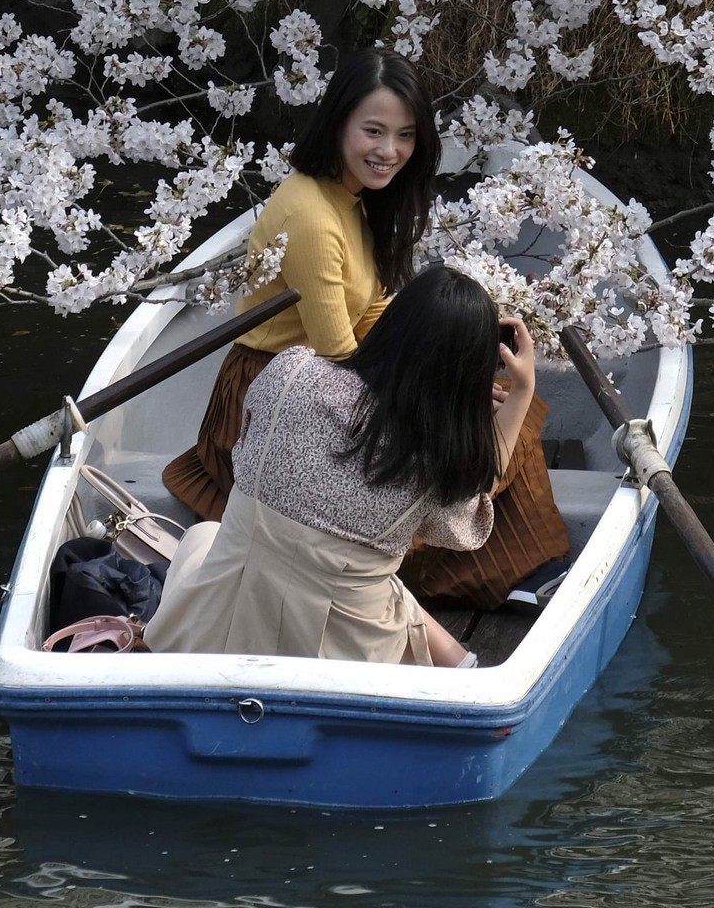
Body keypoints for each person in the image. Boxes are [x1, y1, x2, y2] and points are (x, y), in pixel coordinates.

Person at [162, 46, 569, 610]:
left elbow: (374, 310)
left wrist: (454, 372)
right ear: (337, 124)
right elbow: (338, 352)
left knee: (506, 405)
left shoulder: (352, 199)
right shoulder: (311, 214)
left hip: (340, 377)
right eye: (373, 131)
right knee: (495, 425)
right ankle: (500, 569)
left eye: (405, 136)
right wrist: (442, 392)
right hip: (294, 397)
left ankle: (523, 563)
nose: (390, 152)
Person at [145, 267, 536, 665]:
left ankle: (460, 667)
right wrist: (521, 393)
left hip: (221, 620)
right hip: (337, 655)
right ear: (465, 374)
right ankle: (464, 671)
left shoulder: (290, 371)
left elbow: (245, 448)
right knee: (380, 587)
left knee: (206, 536)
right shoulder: (434, 461)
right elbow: (468, 528)